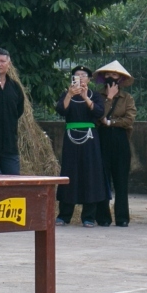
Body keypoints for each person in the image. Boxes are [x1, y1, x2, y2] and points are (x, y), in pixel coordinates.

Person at [56, 66, 108, 227]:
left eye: (83, 75)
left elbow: (99, 112)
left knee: (90, 174)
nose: (80, 78)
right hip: (71, 139)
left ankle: (88, 216)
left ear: (89, 79)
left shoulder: (95, 95)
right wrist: (70, 94)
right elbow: (60, 110)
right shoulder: (67, 94)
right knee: (69, 172)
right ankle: (64, 215)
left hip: (90, 139)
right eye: (76, 75)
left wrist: (86, 97)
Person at [95, 60, 136, 227]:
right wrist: (109, 98)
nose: (111, 77)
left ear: (120, 78)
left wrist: (111, 122)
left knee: (121, 181)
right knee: (103, 180)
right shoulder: (97, 96)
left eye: (115, 75)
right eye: (108, 74)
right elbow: (97, 116)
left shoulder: (127, 98)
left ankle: (122, 217)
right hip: (101, 140)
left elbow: (129, 120)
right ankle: (103, 217)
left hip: (120, 141)